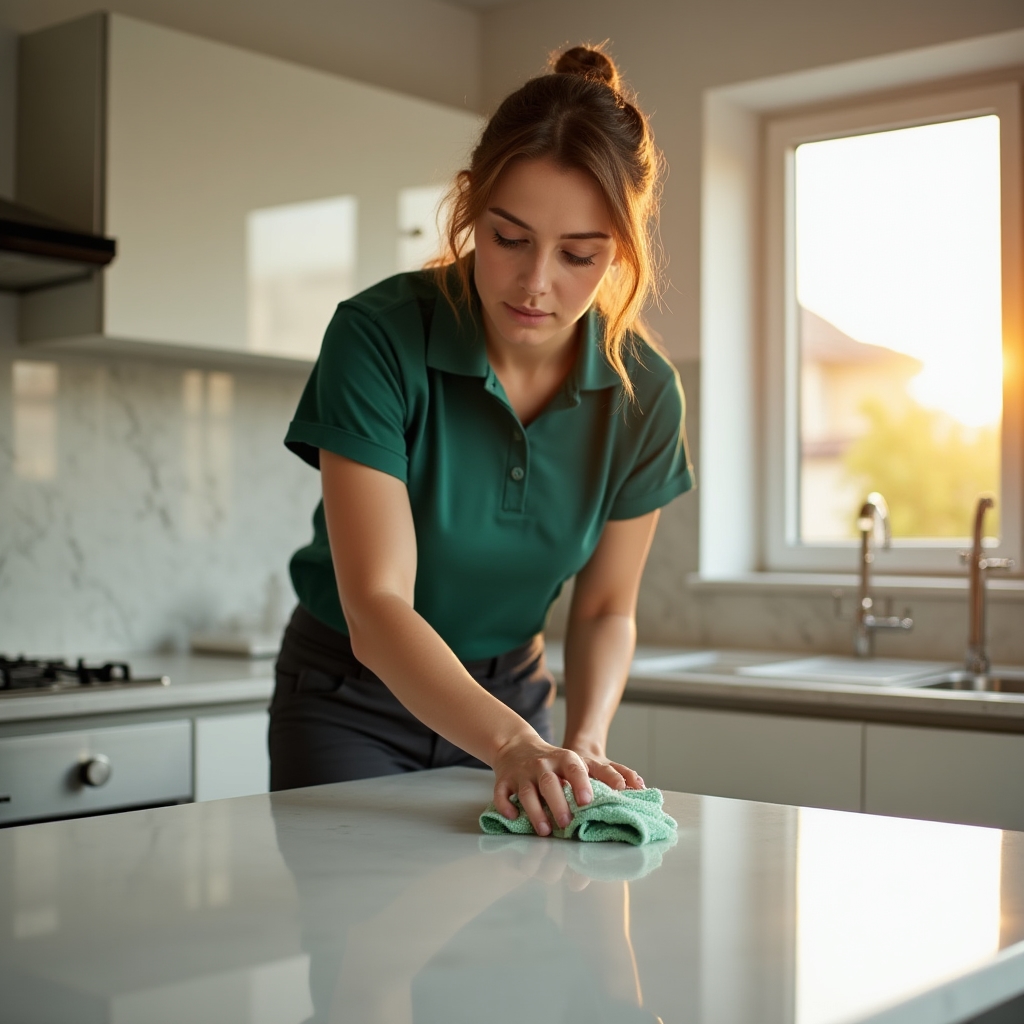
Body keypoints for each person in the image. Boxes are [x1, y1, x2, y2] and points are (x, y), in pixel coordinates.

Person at [269, 44, 694, 839]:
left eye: (579, 254)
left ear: (622, 247)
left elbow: (605, 610)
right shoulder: (377, 338)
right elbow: (376, 602)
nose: (537, 283)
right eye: (509, 238)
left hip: (521, 707)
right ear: (469, 205)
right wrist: (510, 744)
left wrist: (581, 740)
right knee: (358, 950)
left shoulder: (646, 392)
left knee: (513, 953)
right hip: (350, 702)